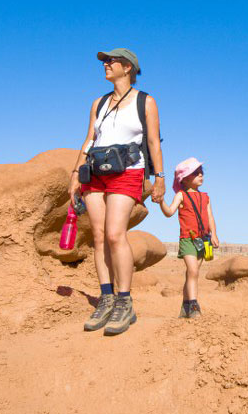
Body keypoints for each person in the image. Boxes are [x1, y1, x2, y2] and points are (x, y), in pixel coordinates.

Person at [68, 48, 166, 336]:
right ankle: (106, 298)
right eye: (105, 62)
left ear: (128, 67)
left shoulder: (145, 101)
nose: (106, 65)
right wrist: (76, 174)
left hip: (128, 171)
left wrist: (159, 177)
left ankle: (125, 302)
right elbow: (89, 139)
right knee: (98, 237)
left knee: (114, 234)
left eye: (110, 61)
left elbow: (152, 141)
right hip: (95, 174)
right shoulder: (98, 103)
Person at [159, 157, 220, 318]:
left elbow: (210, 217)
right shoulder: (181, 195)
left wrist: (214, 234)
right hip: (188, 239)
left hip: (203, 240)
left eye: (201, 173)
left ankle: (185, 306)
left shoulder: (206, 197)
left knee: (193, 273)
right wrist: (160, 202)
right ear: (184, 179)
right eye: (196, 173)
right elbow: (169, 212)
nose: (201, 175)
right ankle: (193, 305)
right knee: (193, 271)